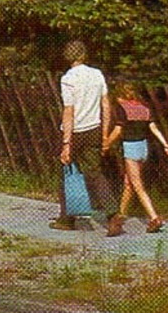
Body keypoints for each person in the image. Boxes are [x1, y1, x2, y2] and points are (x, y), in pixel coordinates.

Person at [51, 40, 121, 235]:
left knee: (67, 172)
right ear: (84, 55)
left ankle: (67, 217)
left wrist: (66, 143)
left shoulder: (68, 79)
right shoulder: (97, 75)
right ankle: (113, 213)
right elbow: (105, 105)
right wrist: (105, 134)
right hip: (94, 129)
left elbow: (69, 110)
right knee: (95, 172)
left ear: (68, 57)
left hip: (75, 132)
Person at [102, 79, 168, 234]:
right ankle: (119, 217)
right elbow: (153, 127)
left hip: (131, 147)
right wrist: (165, 144)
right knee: (128, 184)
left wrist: (106, 144)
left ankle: (154, 217)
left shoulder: (121, 109)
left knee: (137, 185)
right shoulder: (144, 108)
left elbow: (118, 130)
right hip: (143, 148)